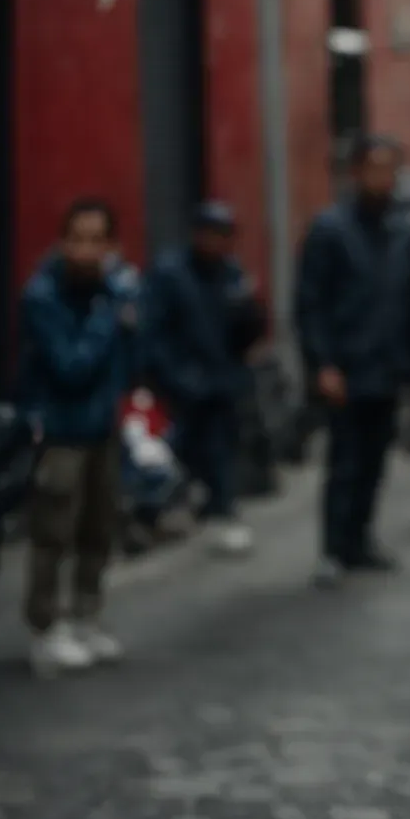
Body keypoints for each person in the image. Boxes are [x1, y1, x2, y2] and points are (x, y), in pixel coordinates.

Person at [16, 198, 140, 676]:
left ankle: (87, 615)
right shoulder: (43, 295)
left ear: (111, 246)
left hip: (101, 427)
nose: (86, 251)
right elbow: (71, 366)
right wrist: (110, 316)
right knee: (53, 532)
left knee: (98, 526)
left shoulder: (112, 291)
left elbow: (130, 356)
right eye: (77, 239)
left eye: (96, 241)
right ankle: (45, 628)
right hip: (60, 429)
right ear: (63, 241)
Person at [295, 135, 410, 587]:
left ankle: (360, 540)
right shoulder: (331, 230)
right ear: (356, 172)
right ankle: (332, 549)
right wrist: (323, 363)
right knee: (344, 462)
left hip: (386, 366)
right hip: (346, 368)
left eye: (390, 170)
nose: (382, 179)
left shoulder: (402, 231)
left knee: (374, 461)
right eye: (374, 169)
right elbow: (310, 303)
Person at [141, 200, 266, 556]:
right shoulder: (171, 273)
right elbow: (154, 332)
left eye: (223, 235)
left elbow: (246, 332)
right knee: (176, 450)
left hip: (221, 382)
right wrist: (174, 376)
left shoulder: (232, 274)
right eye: (209, 233)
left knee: (222, 450)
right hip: (182, 384)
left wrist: (250, 313)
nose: (215, 242)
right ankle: (157, 511)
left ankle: (220, 511)